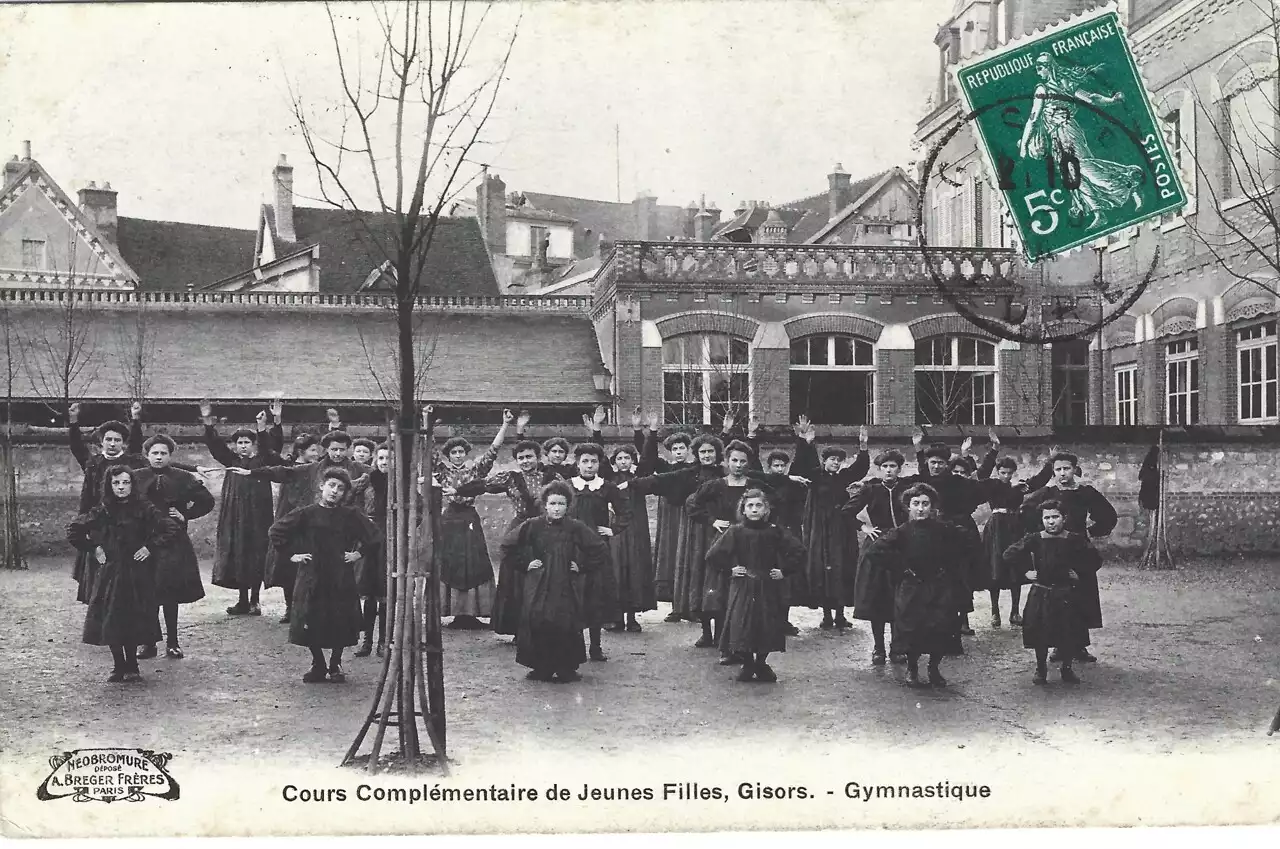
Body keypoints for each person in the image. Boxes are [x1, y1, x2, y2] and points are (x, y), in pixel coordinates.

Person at [268, 467, 381, 683]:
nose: (335, 491)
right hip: (312, 574)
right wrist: (293, 555)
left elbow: (374, 536)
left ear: (345, 493)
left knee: (339, 618)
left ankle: (335, 664)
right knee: (311, 617)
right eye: (331, 486)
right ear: (322, 486)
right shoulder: (306, 513)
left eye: (340, 488)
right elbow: (276, 531)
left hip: (340, 574)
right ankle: (318, 663)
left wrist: (358, 553)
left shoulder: (351, 515)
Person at [67, 466, 178, 683]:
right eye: (116, 483)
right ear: (109, 485)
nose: (121, 487)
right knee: (112, 618)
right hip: (111, 573)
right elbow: (74, 529)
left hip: (137, 573)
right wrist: (94, 548)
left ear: (132, 484)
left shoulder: (144, 507)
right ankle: (118, 665)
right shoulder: (103, 509)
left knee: (134, 617)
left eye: (125, 483)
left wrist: (149, 547)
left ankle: (133, 665)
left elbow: (170, 528)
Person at [449, 436, 561, 642]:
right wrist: (458, 490)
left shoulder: (553, 478)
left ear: (538, 458)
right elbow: (482, 484)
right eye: (521, 458)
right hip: (520, 530)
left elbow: (567, 499)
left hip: (547, 530)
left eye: (529, 457)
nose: (525, 461)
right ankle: (519, 629)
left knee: (546, 577)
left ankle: (545, 629)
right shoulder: (510, 478)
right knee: (516, 579)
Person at [859, 483, 972, 688]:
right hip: (912, 588)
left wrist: (948, 566)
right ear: (908, 507)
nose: (921, 508)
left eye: (925, 504)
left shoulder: (943, 529)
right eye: (916, 504)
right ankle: (912, 669)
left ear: (932, 507)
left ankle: (934, 668)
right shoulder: (901, 532)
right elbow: (874, 552)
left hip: (938, 587)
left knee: (939, 628)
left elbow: (965, 543)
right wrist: (902, 568)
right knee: (912, 629)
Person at [499, 481, 610, 683]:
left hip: (565, 583)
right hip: (539, 582)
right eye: (552, 504)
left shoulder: (575, 527)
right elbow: (507, 545)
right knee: (538, 619)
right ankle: (541, 666)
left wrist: (582, 566)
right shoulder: (533, 525)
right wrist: (525, 564)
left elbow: (599, 549)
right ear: (545, 505)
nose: (557, 508)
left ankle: (566, 667)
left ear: (568, 506)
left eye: (561, 504)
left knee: (565, 621)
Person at [1021, 452, 1117, 663]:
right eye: (1058, 470)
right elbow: (1026, 509)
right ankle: (1058, 645)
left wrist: (1094, 530)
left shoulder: (1085, 492)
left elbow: (1108, 514)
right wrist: (1042, 533)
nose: (1062, 473)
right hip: (1055, 549)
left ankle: (1080, 646)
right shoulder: (1047, 492)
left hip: (1079, 548)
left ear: (1075, 469)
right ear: (1053, 472)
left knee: (1081, 594)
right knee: (1056, 596)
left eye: (1066, 468)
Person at [704, 488, 807, 683]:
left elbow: (799, 551)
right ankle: (748, 662)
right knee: (741, 625)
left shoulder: (775, 531)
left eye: (759, 505)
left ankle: (761, 662)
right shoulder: (736, 531)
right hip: (743, 585)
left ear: (766, 509)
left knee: (766, 625)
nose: (754, 509)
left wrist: (784, 571)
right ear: (743, 509)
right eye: (750, 506)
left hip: (767, 585)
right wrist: (730, 570)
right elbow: (713, 556)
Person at [844, 434, 925, 665]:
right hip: (878, 546)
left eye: (893, 467)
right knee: (878, 599)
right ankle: (878, 647)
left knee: (901, 599)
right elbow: (845, 512)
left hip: (902, 545)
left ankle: (897, 647)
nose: (889, 471)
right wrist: (865, 527)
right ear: (878, 469)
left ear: (900, 468)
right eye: (884, 467)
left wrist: (919, 449)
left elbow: (926, 478)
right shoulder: (870, 489)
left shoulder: (907, 487)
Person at [132, 434, 214, 660]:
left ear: (170, 455)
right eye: (154, 453)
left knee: (168, 593)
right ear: (146, 455)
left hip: (173, 540)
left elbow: (207, 501)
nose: (158, 457)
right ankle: (148, 643)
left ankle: (173, 642)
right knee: (146, 593)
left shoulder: (183, 477)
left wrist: (185, 514)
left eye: (163, 453)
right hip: (143, 541)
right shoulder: (136, 477)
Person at [1003, 500, 1099, 685]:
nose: (1051, 522)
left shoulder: (1074, 539)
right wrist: (1025, 572)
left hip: (1066, 594)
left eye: (1055, 517)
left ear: (1064, 518)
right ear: (1042, 520)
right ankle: (1041, 668)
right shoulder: (1035, 539)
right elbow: (1009, 554)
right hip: (1042, 593)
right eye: (1047, 518)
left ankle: (1067, 668)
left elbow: (1095, 560)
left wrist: (1079, 573)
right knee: (1040, 632)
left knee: (1068, 632)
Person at [432, 410, 512, 629]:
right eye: (454, 452)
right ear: (448, 455)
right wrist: (427, 425)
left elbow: (493, 452)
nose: (458, 455)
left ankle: (473, 612)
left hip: (469, 518)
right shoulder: (441, 471)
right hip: (449, 519)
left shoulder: (475, 471)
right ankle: (454, 612)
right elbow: (428, 451)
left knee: (474, 563)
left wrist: (504, 424)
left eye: (461, 452)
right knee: (450, 562)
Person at [790, 418, 870, 630]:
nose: (835, 462)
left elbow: (860, 468)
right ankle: (826, 615)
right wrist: (805, 442)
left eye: (838, 460)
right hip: (819, 530)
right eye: (832, 459)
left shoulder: (844, 477)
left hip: (841, 530)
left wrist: (862, 446)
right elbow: (801, 465)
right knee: (821, 569)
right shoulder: (815, 476)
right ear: (824, 461)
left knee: (842, 568)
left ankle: (841, 615)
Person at [201, 402, 277, 616]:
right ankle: (242, 601)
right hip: (235, 517)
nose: (243, 446)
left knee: (256, 556)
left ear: (254, 444)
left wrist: (262, 426)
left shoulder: (262, 461)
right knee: (239, 556)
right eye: (239, 442)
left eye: (247, 442)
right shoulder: (231, 460)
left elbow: (269, 447)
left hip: (258, 517)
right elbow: (215, 446)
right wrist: (208, 423)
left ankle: (255, 601)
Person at [564, 442, 628, 661]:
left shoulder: (607, 487)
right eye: (585, 462)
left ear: (599, 464)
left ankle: (595, 646)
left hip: (597, 549)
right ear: (577, 463)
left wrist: (613, 529)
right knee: (571, 596)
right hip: (571, 549)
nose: (589, 466)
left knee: (595, 597)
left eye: (593, 462)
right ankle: (572, 646)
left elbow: (625, 511)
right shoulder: (567, 486)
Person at [255, 432, 323, 624]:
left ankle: (308, 608)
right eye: (312, 450)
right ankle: (290, 608)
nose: (316, 453)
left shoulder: (318, 468)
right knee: (288, 565)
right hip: (290, 518)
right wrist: (262, 430)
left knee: (311, 564)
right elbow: (268, 456)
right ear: (301, 451)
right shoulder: (289, 468)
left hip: (311, 520)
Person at [637, 413, 695, 619]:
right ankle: (675, 607)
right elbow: (647, 460)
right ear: (670, 452)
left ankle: (690, 605)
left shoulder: (693, 469)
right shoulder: (665, 468)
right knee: (671, 555)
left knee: (689, 555)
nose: (679, 452)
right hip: (670, 515)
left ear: (688, 451)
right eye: (675, 449)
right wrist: (651, 433)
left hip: (689, 514)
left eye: (682, 448)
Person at [606, 443, 655, 633]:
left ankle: (632, 617)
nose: (623, 461)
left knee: (634, 568)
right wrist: (596, 432)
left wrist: (649, 433)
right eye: (619, 458)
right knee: (617, 568)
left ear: (632, 460)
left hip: (636, 528)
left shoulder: (638, 478)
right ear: (614, 462)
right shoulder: (609, 479)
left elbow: (648, 460)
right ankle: (616, 617)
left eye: (627, 458)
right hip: (617, 528)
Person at [356, 443, 392, 657]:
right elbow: (349, 495)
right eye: (380, 458)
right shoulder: (367, 479)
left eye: (388, 458)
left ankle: (384, 642)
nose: (384, 462)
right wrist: (359, 522)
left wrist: (403, 527)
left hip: (391, 540)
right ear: (375, 460)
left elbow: (419, 509)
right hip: (369, 539)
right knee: (369, 594)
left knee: (385, 593)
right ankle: (367, 641)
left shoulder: (402, 483)